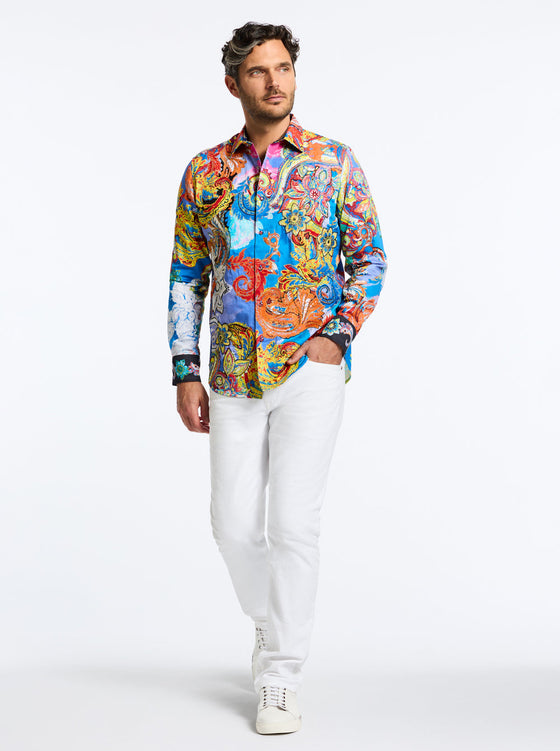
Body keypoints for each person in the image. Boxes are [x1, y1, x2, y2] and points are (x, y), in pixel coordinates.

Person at [167, 21, 387, 735]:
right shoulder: (204, 172)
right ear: (233, 83)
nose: (274, 81)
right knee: (232, 525)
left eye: (284, 67)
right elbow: (187, 275)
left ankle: (281, 675)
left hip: (308, 369)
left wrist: (336, 336)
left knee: (294, 524)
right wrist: (184, 369)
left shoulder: (333, 162)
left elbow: (370, 259)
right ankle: (270, 617)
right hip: (232, 373)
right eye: (259, 71)